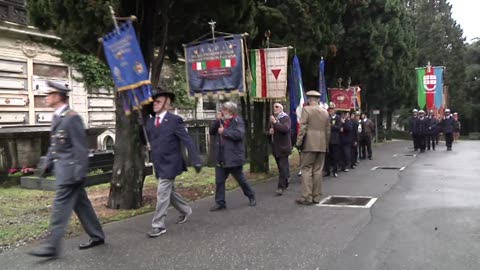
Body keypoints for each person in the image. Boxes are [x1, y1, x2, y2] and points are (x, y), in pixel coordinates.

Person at [28, 81, 105, 258]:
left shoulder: (72, 118)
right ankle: (97, 235)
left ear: (57, 96)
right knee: (82, 205)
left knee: (59, 209)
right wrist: (46, 163)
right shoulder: (58, 117)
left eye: (49, 95)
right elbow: (55, 145)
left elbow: (81, 148)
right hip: (65, 170)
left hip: (70, 173)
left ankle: (52, 246)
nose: (46, 98)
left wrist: (79, 173)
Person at [145, 88, 202, 238]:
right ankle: (185, 210)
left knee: (162, 192)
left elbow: (187, 140)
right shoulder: (149, 122)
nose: (154, 104)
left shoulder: (175, 120)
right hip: (159, 163)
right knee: (170, 193)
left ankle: (158, 225)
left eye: (158, 101)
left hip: (171, 163)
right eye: (153, 102)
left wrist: (196, 159)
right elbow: (144, 138)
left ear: (166, 104)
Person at [209, 101, 256, 211]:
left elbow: (239, 135)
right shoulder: (220, 121)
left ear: (230, 111)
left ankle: (251, 196)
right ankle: (220, 202)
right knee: (219, 181)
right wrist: (216, 121)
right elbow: (212, 131)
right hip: (221, 157)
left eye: (224, 110)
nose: (222, 111)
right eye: (222, 109)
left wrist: (224, 132)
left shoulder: (237, 121)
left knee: (241, 180)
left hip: (233, 157)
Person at [295, 91, 330, 205]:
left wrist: (298, 142)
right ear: (318, 100)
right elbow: (328, 130)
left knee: (306, 169)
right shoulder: (325, 112)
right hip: (322, 144)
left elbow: (303, 127)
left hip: (309, 144)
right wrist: (326, 144)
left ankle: (306, 196)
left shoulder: (306, 110)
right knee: (318, 171)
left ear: (309, 99)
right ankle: (317, 196)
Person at [269, 103, 292, 195]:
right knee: (281, 167)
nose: (275, 108)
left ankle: (280, 187)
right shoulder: (272, 119)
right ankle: (286, 180)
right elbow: (268, 130)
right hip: (275, 147)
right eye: (274, 107)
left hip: (284, 147)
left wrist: (275, 123)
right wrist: (269, 132)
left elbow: (285, 129)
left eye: (277, 107)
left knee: (282, 167)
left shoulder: (285, 118)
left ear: (281, 109)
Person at [324, 102, 341, 177]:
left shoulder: (337, 117)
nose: (330, 110)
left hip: (335, 140)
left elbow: (339, 127)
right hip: (327, 140)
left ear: (334, 110)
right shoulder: (326, 117)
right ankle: (327, 171)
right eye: (329, 109)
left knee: (335, 156)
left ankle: (335, 171)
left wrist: (330, 126)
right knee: (327, 156)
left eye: (332, 109)